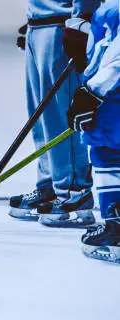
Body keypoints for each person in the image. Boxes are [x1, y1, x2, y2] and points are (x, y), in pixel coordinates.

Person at [9, 0, 99, 227]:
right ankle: (49, 185)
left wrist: (81, 22)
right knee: (40, 116)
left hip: (61, 26)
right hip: (37, 26)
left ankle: (74, 191)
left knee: (60, 116)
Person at [74, 0, 120, 262]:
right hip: (107, 87)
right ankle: (115, 222)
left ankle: (114, 228)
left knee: (104, 150)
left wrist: (93, 91)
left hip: (112, 93)